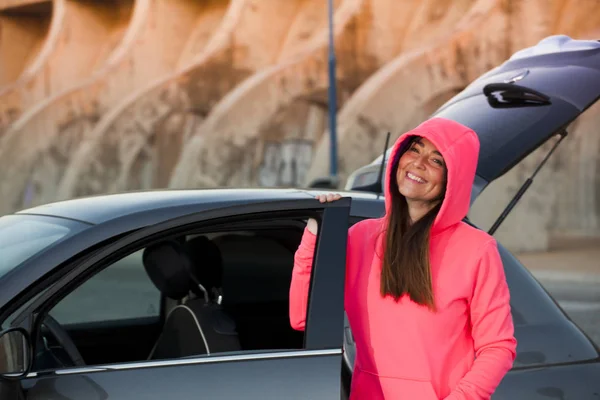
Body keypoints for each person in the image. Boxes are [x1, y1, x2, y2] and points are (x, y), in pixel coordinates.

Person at [289, 117, 517, 399]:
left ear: (453, 179)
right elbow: (302, 317)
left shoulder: (477, 249)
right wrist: (316, 231)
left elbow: (498, 346)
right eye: (414, 149)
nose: (418, 163)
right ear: (398, 156)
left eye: (436, 160)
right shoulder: (359, 238)